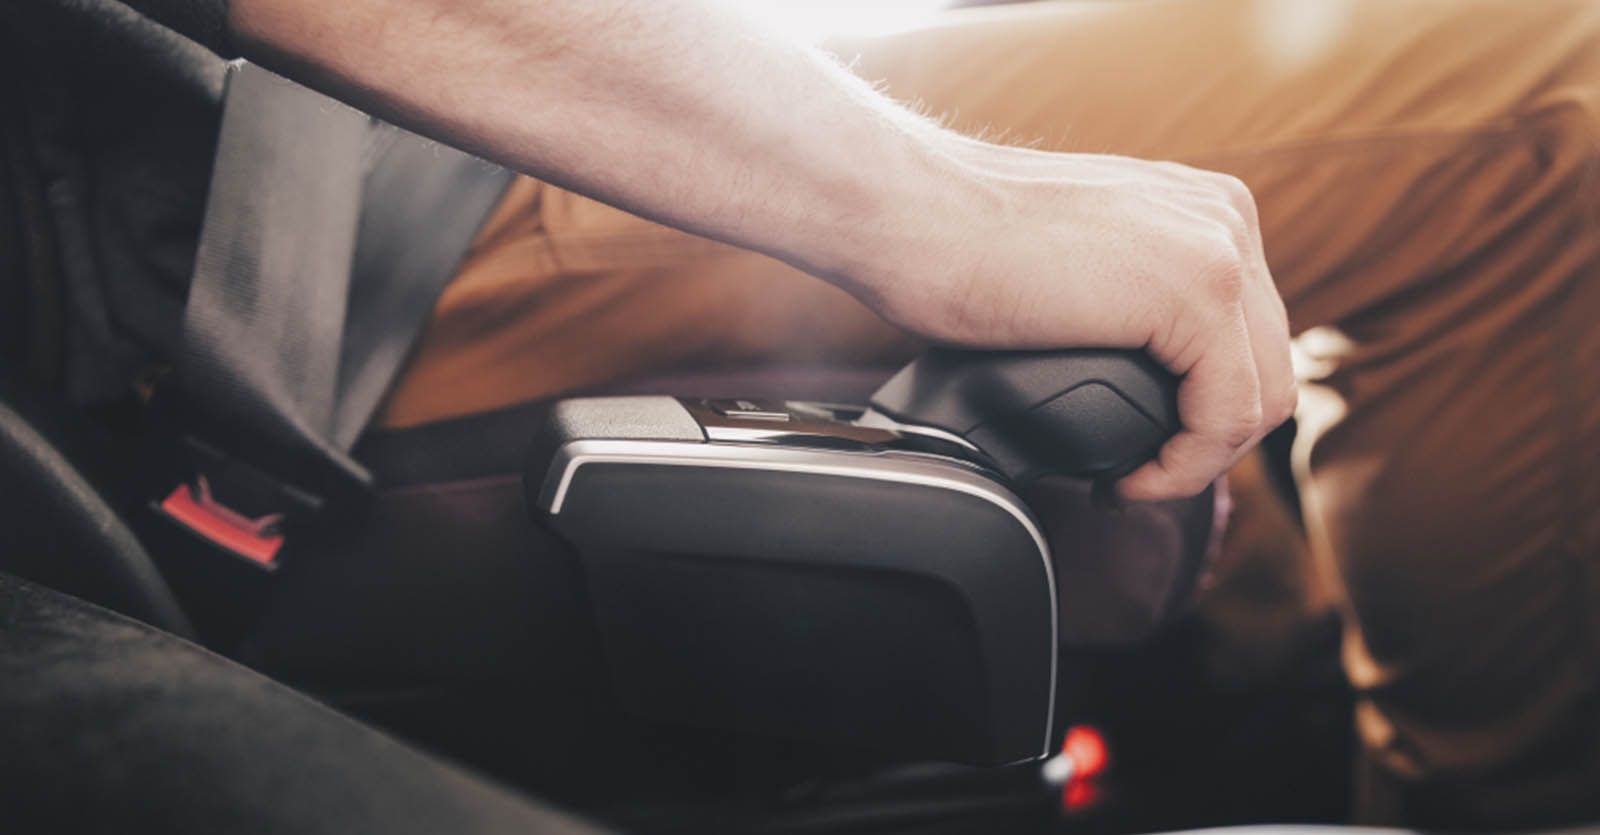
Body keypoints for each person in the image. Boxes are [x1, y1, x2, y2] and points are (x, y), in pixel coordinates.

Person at [2, 0, 1596, 829]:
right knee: (1541, 116)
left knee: (1220, 481)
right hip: (257, 254)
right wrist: (941, 202)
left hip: (332, 151)